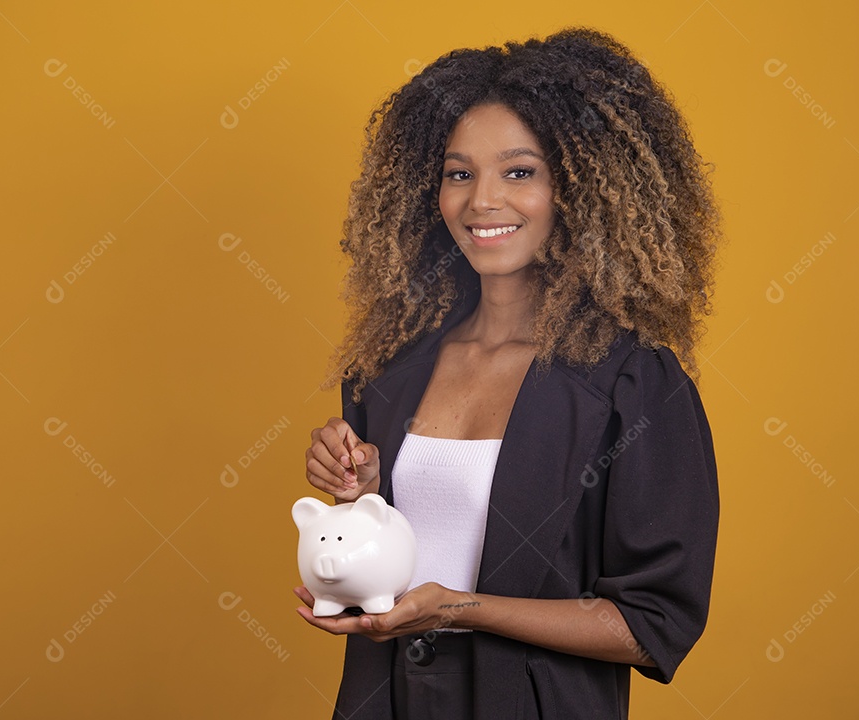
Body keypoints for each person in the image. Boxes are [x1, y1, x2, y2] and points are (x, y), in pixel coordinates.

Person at [295, 26, 721, 720]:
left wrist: (464, 609)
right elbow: (389, 554)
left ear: (583, 189)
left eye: (520, 172)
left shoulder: (634, 383)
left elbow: (652, 626)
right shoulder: (389, 370)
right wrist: (362, 492)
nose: (481, 202)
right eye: (459, 173)